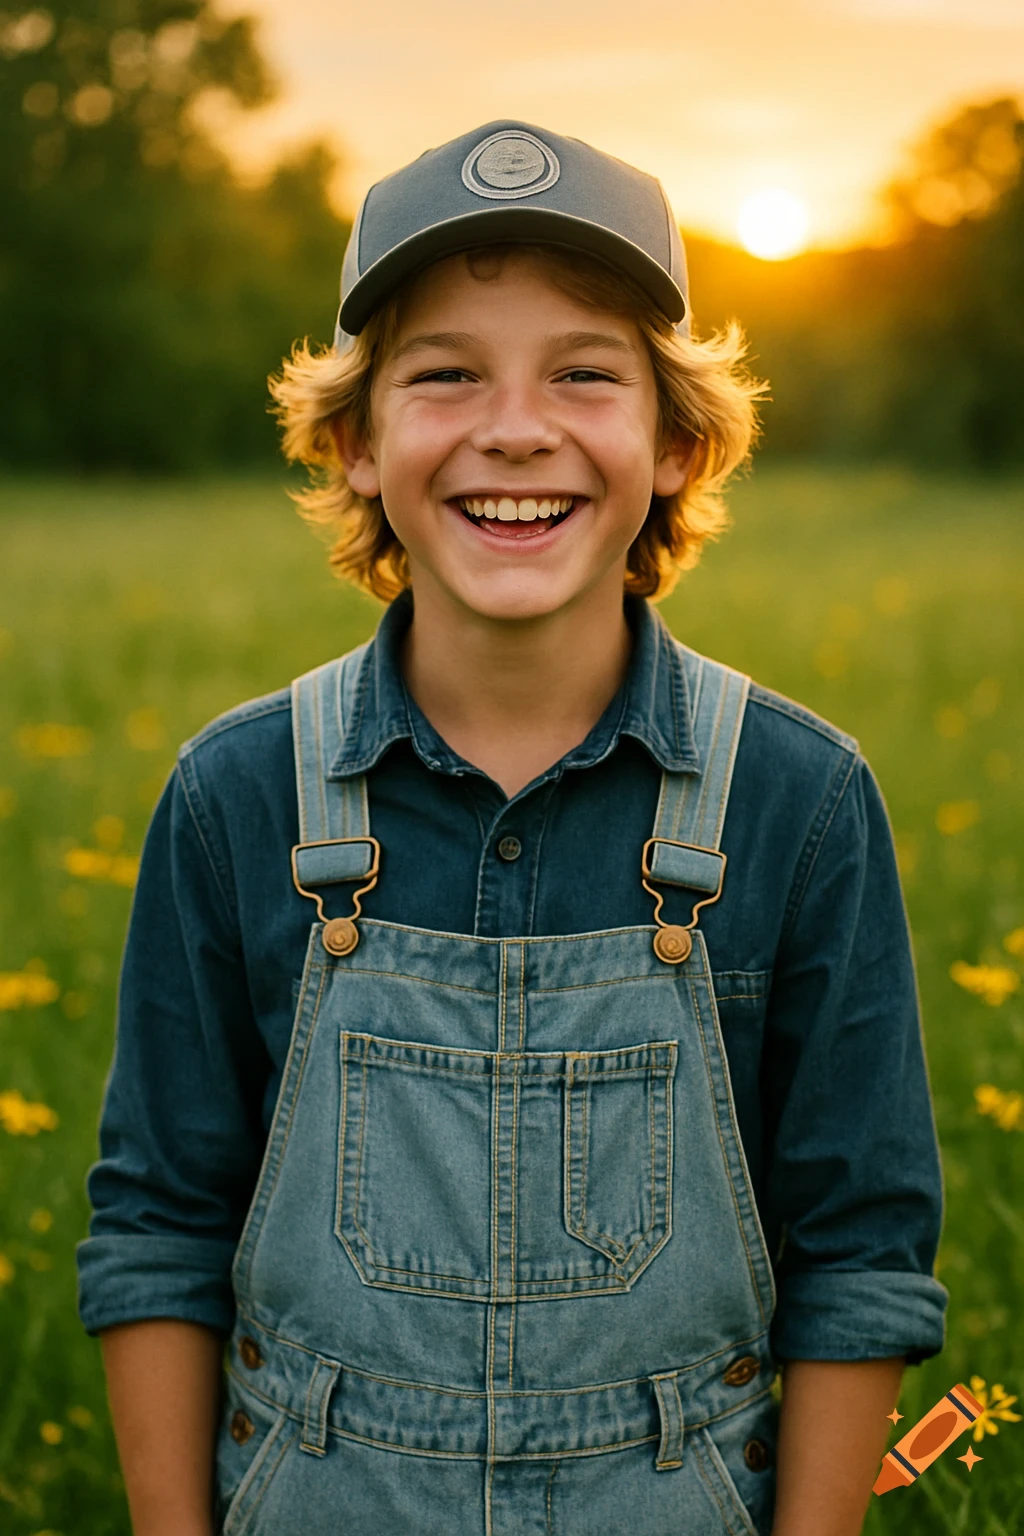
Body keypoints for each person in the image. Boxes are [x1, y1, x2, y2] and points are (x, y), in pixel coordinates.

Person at [78, 121, 948, 1536]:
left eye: (584, 373)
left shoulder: (801, 799)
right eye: (447, 374)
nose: (515, 427)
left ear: (673, 442)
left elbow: (861, 1251)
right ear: (358, 444)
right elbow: (159, 1229)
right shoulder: (236, 794)